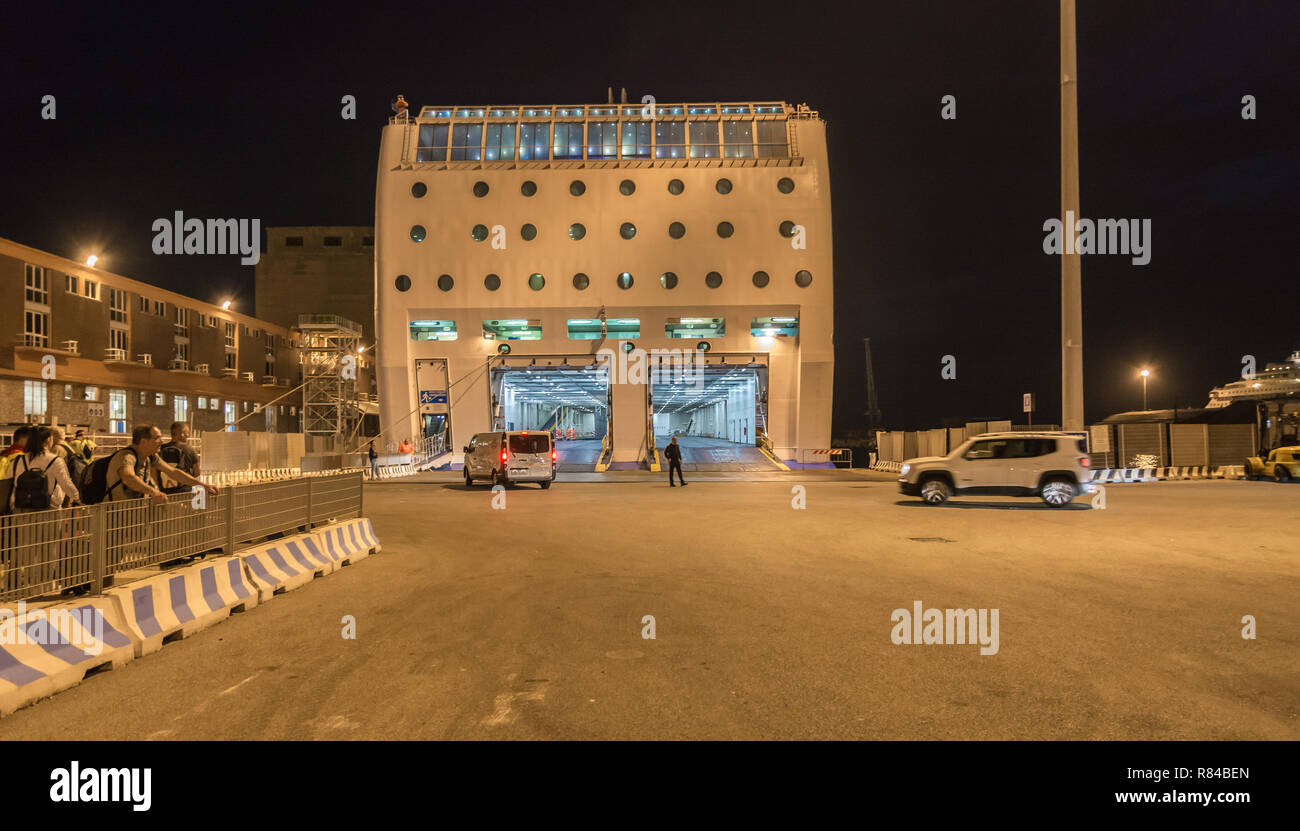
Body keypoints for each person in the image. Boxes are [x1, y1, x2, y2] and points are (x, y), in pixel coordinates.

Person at [107, 424, 217, 505]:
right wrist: (154, 492)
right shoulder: (127, 457)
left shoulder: (151, 456)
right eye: (157, 438)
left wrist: (204, 485)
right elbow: (128, 478)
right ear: (144, 441)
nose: (161, 441)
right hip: (115, 512)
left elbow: (174, 472)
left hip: (132, 510)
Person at [6, 426, 81, 512]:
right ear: (49, 439)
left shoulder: (17, 461)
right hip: (49, 511)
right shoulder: (55, 461)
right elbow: (66, 484)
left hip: (21, 509)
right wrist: (79, 499)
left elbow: (7, 484)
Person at [158, 421, 201, 494]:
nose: (188, 435)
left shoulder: (160, 449)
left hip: (164, 492)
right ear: (182, 434)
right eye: (187, 433)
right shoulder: (190, 450)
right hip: (184, 491)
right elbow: (197, 472)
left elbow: (154, 470)